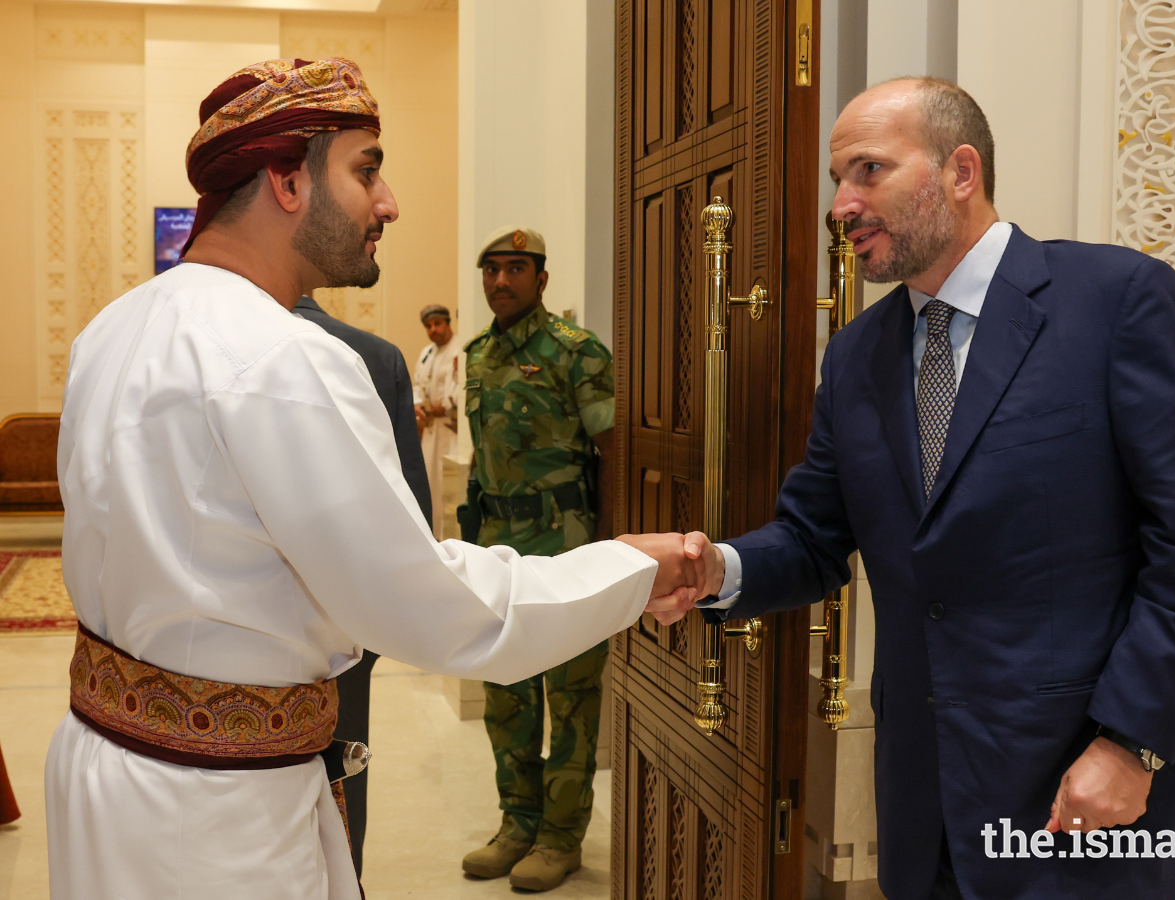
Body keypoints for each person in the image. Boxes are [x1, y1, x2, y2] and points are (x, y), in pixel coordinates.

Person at [46, 57, 702, 900]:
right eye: (366, 169)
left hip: (103, 765)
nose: (387, 201)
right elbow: (431, 608)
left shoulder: (117, 325)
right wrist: (632, 569)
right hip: (214, 823)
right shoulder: (287, 358)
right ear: (287, 181)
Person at [682, 77, 1175, 900]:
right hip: (929, 809)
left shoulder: (1118, 301)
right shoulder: (855, 357)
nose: (840, 206)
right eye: (838, 180)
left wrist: (1132, 746)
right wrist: (712, 569)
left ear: (960, 171)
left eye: (868, 170)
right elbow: (812, 537)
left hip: (1087, 792)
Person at [460, 226, 616, 891]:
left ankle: (560, 837)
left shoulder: (577, 354)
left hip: (567, 551)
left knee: (572, 698)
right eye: (491, 270)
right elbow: (482, 460)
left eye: (515, 269)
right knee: (506, 694)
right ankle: (517, 822)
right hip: (499, 552)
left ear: (542, 279)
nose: (500, 281)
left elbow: (616, 454)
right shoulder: (479, 356)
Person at [293, 292, 432, 878]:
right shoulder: (374, 356)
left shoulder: (185, 343)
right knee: (340, 780)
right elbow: (410, 521)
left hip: (215, 658)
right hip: (344, 629)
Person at [412, 303, 459, 537]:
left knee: (447, 487)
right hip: (430, 431)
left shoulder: (459, 349)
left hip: (451, 430)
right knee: (430, 486)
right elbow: (418, 384)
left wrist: (447, 404)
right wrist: (418, 403)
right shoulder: (426, 353)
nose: (433, 330)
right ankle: (433, 538)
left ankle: (450, 538)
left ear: (448, 323)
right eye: (428, 326)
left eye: (437, 324)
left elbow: (460, 386)